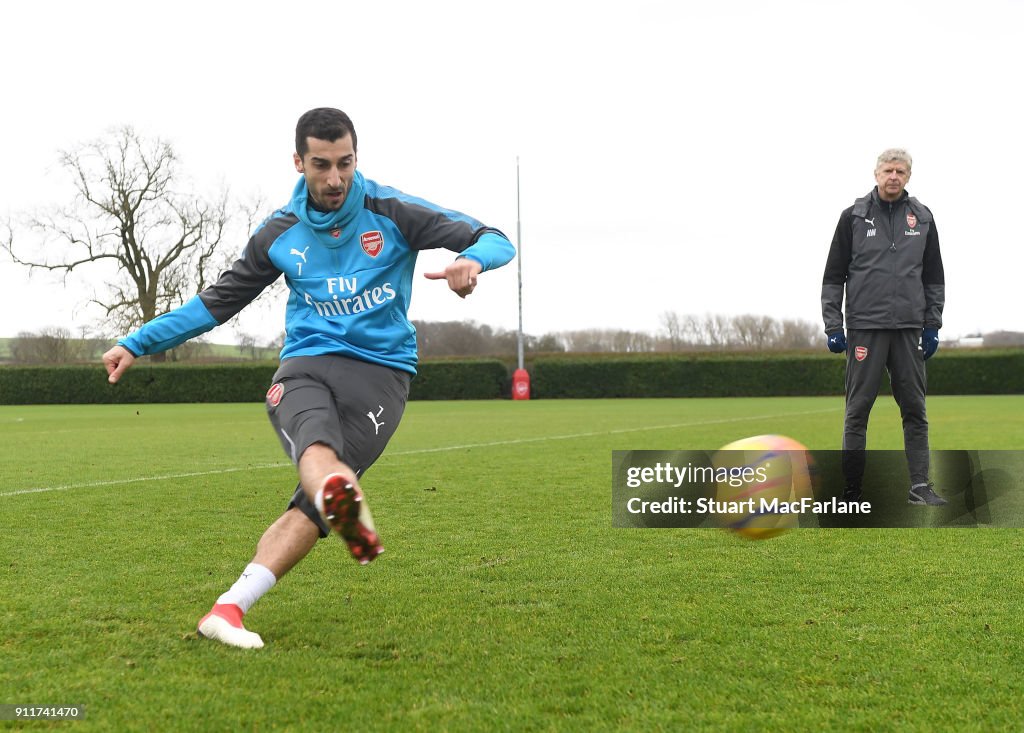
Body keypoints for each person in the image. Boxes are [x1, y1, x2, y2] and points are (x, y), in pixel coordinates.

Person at [102, 107, 516, 649]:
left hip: (382, 375)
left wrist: (472, 262)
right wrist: (137, 341)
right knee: (319, 448)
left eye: (345, 163)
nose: (335, 178)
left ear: (356, 158)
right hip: (307, 363)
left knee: (314, 499)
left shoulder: (392, 210)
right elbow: (216, 303)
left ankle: (228, 607)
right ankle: (337, 494)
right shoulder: (279, 232)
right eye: (321, 165)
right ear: (298, 161)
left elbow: (494, 237)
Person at [821, 148, 946, 507]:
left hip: (908, 329)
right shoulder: (853, 217)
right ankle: (852, 489)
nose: (894, 176)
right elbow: (833, 276)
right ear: (876, 173)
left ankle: (920, 486)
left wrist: (932, 324)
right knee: (857, 411)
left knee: (915, 410)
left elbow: (934, 277)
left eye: (901, 171)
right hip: (865, 328)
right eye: (888, 170)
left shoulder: (922, 218)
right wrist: (834, 324)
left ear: (909, 177)